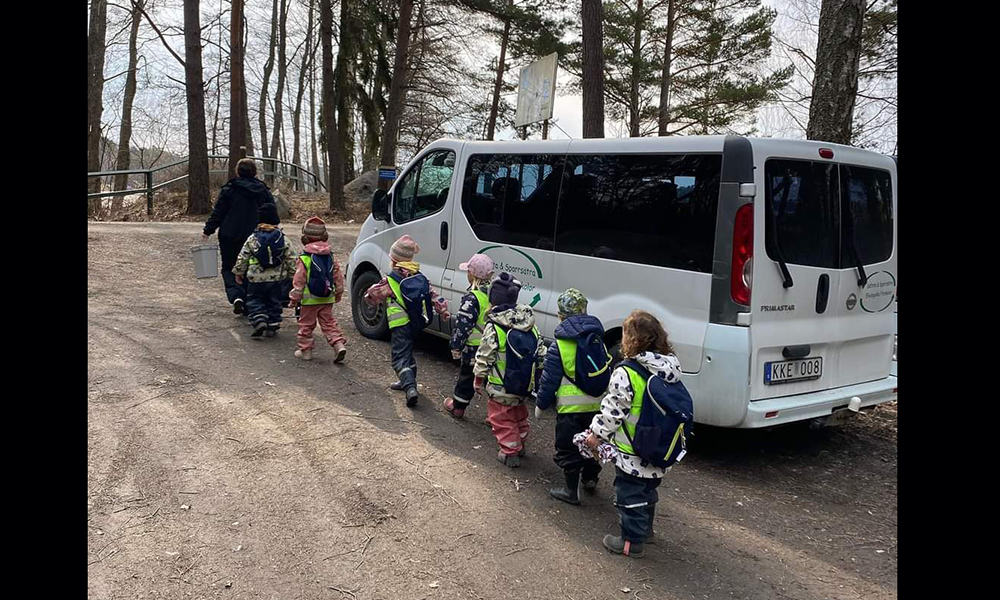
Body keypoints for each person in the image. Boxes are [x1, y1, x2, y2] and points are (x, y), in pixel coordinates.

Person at [585, 309, 683, 558]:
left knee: (629, 494)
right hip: (659, 445)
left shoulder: (626, 372)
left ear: (631, 340)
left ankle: (630, 541)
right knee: (648, 490)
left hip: (632, 449)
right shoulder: (670, 369)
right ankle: (645, 531)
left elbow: (613, 411)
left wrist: (596, 434)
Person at [535, 288, 611, 505]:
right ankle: (590, 478)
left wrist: (541, 404)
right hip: (597, 407)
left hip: (571, 410)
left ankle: (571, 490)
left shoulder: (559, 345)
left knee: (568, 448)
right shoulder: (597, 339)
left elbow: (549, 380)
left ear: (560, 315)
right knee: (592, 443)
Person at [363, 235, 450, 407]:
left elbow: (372, 295)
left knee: (399, 357)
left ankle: (410, 387)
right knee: (407, 351)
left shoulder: (390, 280)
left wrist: (367, 297)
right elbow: (433, 296)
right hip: (416, 323)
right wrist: (444, 310)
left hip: (400, 324)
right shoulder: (419, 276)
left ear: (393, 260)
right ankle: (407, 382)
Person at [473, 273, 546, 468]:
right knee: (518, 412)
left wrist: (478, 378)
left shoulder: (494, 326)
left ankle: (510, 450)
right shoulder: (530, 325)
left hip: (500, 385)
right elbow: (541, 353)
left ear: (492, 299)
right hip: (524, 384)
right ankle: (520, 440)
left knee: (501, 417)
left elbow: (485, 355)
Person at [202, 158, 277, 315]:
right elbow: (273, 216)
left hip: (229, 235)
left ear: (238, 171)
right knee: (252, 266)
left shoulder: (229, 189)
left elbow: (219, 212)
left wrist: (208, 230)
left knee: (229, 267)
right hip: (256, 236)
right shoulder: (263, 190)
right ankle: (250, 300)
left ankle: (237, 297)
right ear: (255, 172)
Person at [232, 203, 297, 338]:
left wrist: (239, 272)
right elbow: (291, 257)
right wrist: (293, 275)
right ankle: (272, 325)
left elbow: (243, 256)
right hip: (277, 279)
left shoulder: (253, 238)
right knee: (274, 301)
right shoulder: (282, 238)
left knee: (254, 299)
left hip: (256, 278)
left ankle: (259, 319)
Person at [288, 217, 347, 362]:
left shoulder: (305, 258)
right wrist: (338, 293)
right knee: (329, 323)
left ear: (305, 237)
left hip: (309, 300)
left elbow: (299, 281)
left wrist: (294, 299)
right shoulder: (330, 256)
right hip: (327, 297)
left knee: (306, 325)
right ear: (325, 236)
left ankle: (306, 351)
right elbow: (337, 276)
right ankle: (338, 344)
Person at [443, 253, 494, 419]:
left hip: (474, 349)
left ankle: (458, 407)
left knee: (467, 377)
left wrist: (456, 346)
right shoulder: (495, 296)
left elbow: (463, 325)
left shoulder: (472, 298)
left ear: (472, 275)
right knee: (492, 382)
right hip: (493, 347)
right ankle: (497, 416)